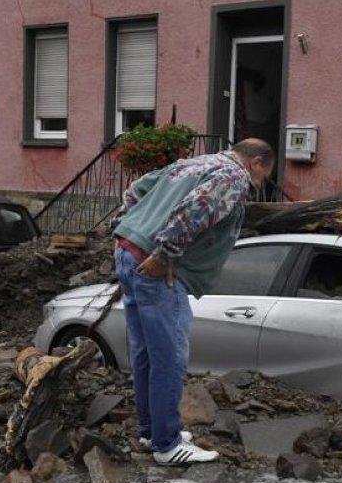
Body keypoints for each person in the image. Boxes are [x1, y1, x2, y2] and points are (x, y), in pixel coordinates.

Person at [111, 138, 275, 465]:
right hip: (155, 270)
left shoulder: (192, 164)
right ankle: (168, 446)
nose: (258, 184)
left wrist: (128, 231)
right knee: (170, 356)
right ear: (256, 162)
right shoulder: (233, 176)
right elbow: (196, 210)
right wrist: (164, 255)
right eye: (263, 175)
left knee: (145, 352)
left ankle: (151, 431)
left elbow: (135, 190)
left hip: (129, 256)